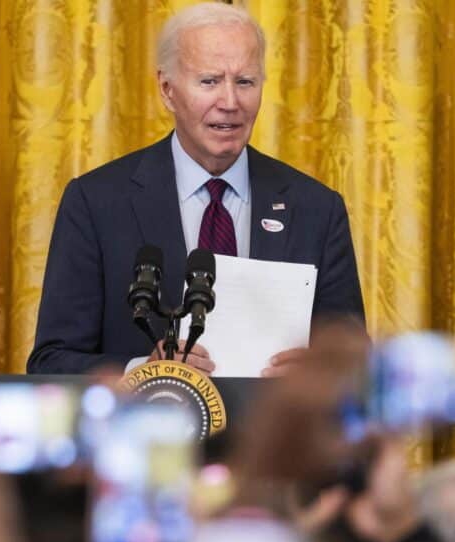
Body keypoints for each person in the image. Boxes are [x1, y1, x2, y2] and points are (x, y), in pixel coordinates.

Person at [28, 2, 365, 375]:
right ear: (167, 89)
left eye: (245, 82)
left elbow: (356, 367)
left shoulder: (316, 209)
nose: (230, 103)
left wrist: (322, 373)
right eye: (209, 81)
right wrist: (143, 371)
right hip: (151, 430)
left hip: (272, 433)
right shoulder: (96, 203)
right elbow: (51, 363)